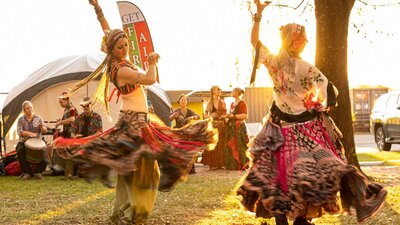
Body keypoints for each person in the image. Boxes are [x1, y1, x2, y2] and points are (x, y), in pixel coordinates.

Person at [48, 0, 217, 224]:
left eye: (126, 44)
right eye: (121, 47)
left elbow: (106, 29)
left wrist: (97, 9)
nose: (125, 48)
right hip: (134, 126)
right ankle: (132, 215)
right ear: (111, 50)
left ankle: (121, 213)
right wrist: (152, 61)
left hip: (137, 122)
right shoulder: (123, 70)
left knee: (129, 172)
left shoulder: (117, 59)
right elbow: (149, 79)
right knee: (144, 173)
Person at [236, 1, 387, 225]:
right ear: (296, 40)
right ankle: (302, 218)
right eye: (303, 38)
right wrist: (316, 104)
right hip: (305, 131)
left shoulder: (273, 62)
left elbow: (254, 42)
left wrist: (258, 13)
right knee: (309, 174)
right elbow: (331, 91)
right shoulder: (306, 67)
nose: (306, 42)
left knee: (277, 175)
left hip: (277, 131)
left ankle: (282, 216)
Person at [169, 94, 200, 173]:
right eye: (182, 100)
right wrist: (174, 115)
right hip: (179, 132)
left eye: (185, 100)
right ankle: (179, 169)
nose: (183, 101)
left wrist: (192, 117)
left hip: (187, 132)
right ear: (179, 102)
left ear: (187, 102)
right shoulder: (176, 110)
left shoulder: (189, 111)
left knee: (189, 149)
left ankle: (190, 169)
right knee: (179, 150)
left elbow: (198, 116)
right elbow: (169, 118)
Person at [16, 101, 47, 180]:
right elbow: (19, 131)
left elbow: (44, 131)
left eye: (31, 107)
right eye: (27, 108)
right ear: (24, 110)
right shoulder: (21, 119)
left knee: (47, 151)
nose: (30, 109)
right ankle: (27, 172)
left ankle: (38, 172)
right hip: (24, 141)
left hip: (38, 142)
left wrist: (42, 128)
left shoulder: (38, 118)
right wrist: (29, 133)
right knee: (20, 149)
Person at [201, 85, 226, 170]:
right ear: (213, 92)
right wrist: (211, 115)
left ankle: (221, 163)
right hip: (213, 127)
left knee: (221, 144)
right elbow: (205, 116)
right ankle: (212, 164)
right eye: (218, 89)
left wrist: (224, 116)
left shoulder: (222, 102)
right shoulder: (209, 103)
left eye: (220, 89)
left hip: (222, 126)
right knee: (213, 144)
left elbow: (226, 114)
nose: (220, 90)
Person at [224, 87, 249, 170]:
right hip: (232, 127)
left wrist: (233, 116)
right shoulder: (232, 103)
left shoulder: (242, 103)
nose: (232, 92)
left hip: (239, 127)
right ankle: (233, 165)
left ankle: (242, 164)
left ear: (238, 92)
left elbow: (245, 115)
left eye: (234, 91)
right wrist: (227, 116)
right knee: (232, 145)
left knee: (240, 145)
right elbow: (231, 114)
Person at [55, 91, 78, 179]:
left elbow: (72, 119)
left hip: (72, 134)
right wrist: (60, 121)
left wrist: (61, 122)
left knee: (69, 153)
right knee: (66, 153)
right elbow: (66, 121)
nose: (60, 104)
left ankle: (69, 174)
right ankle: (68, 173)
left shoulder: (72, 108)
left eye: (61, 102)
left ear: (67, 100)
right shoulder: (66, 110)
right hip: (67, 134)